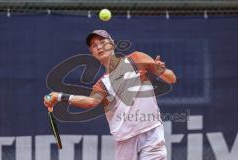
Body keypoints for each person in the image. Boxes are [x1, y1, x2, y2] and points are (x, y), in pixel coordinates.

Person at [44, 30, 176, 160]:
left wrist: (161, 70)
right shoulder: (102, 85)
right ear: (92, 53)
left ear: (112, 44)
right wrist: (60, 96)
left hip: (151, 133)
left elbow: (171, 79)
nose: (99, 47)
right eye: (94, 46)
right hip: (124, 141)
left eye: (102, 42)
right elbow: (90, 102)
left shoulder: (136, 59)